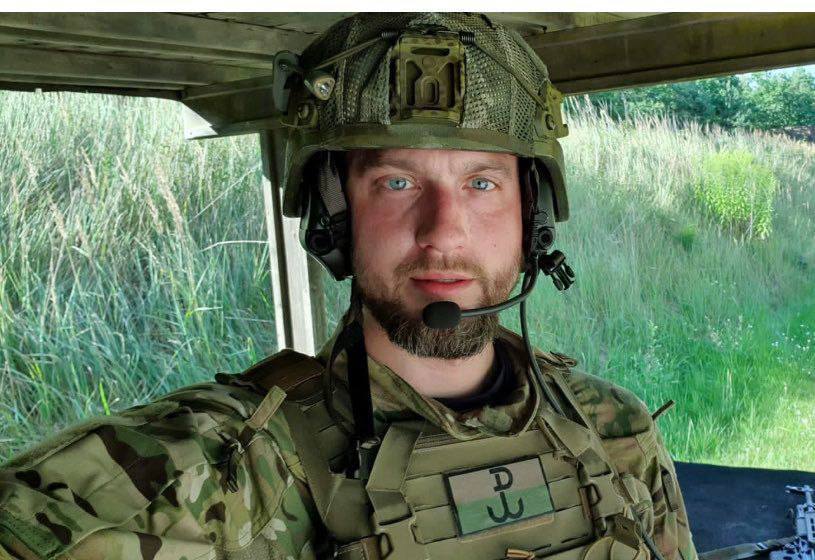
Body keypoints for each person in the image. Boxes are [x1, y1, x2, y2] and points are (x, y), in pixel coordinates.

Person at [0, 13, 697, 560]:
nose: (443, 233)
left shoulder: (614, 430)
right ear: (334, 220)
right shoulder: (216, 476)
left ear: (532, 217)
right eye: (396, 183)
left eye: (481, 184)